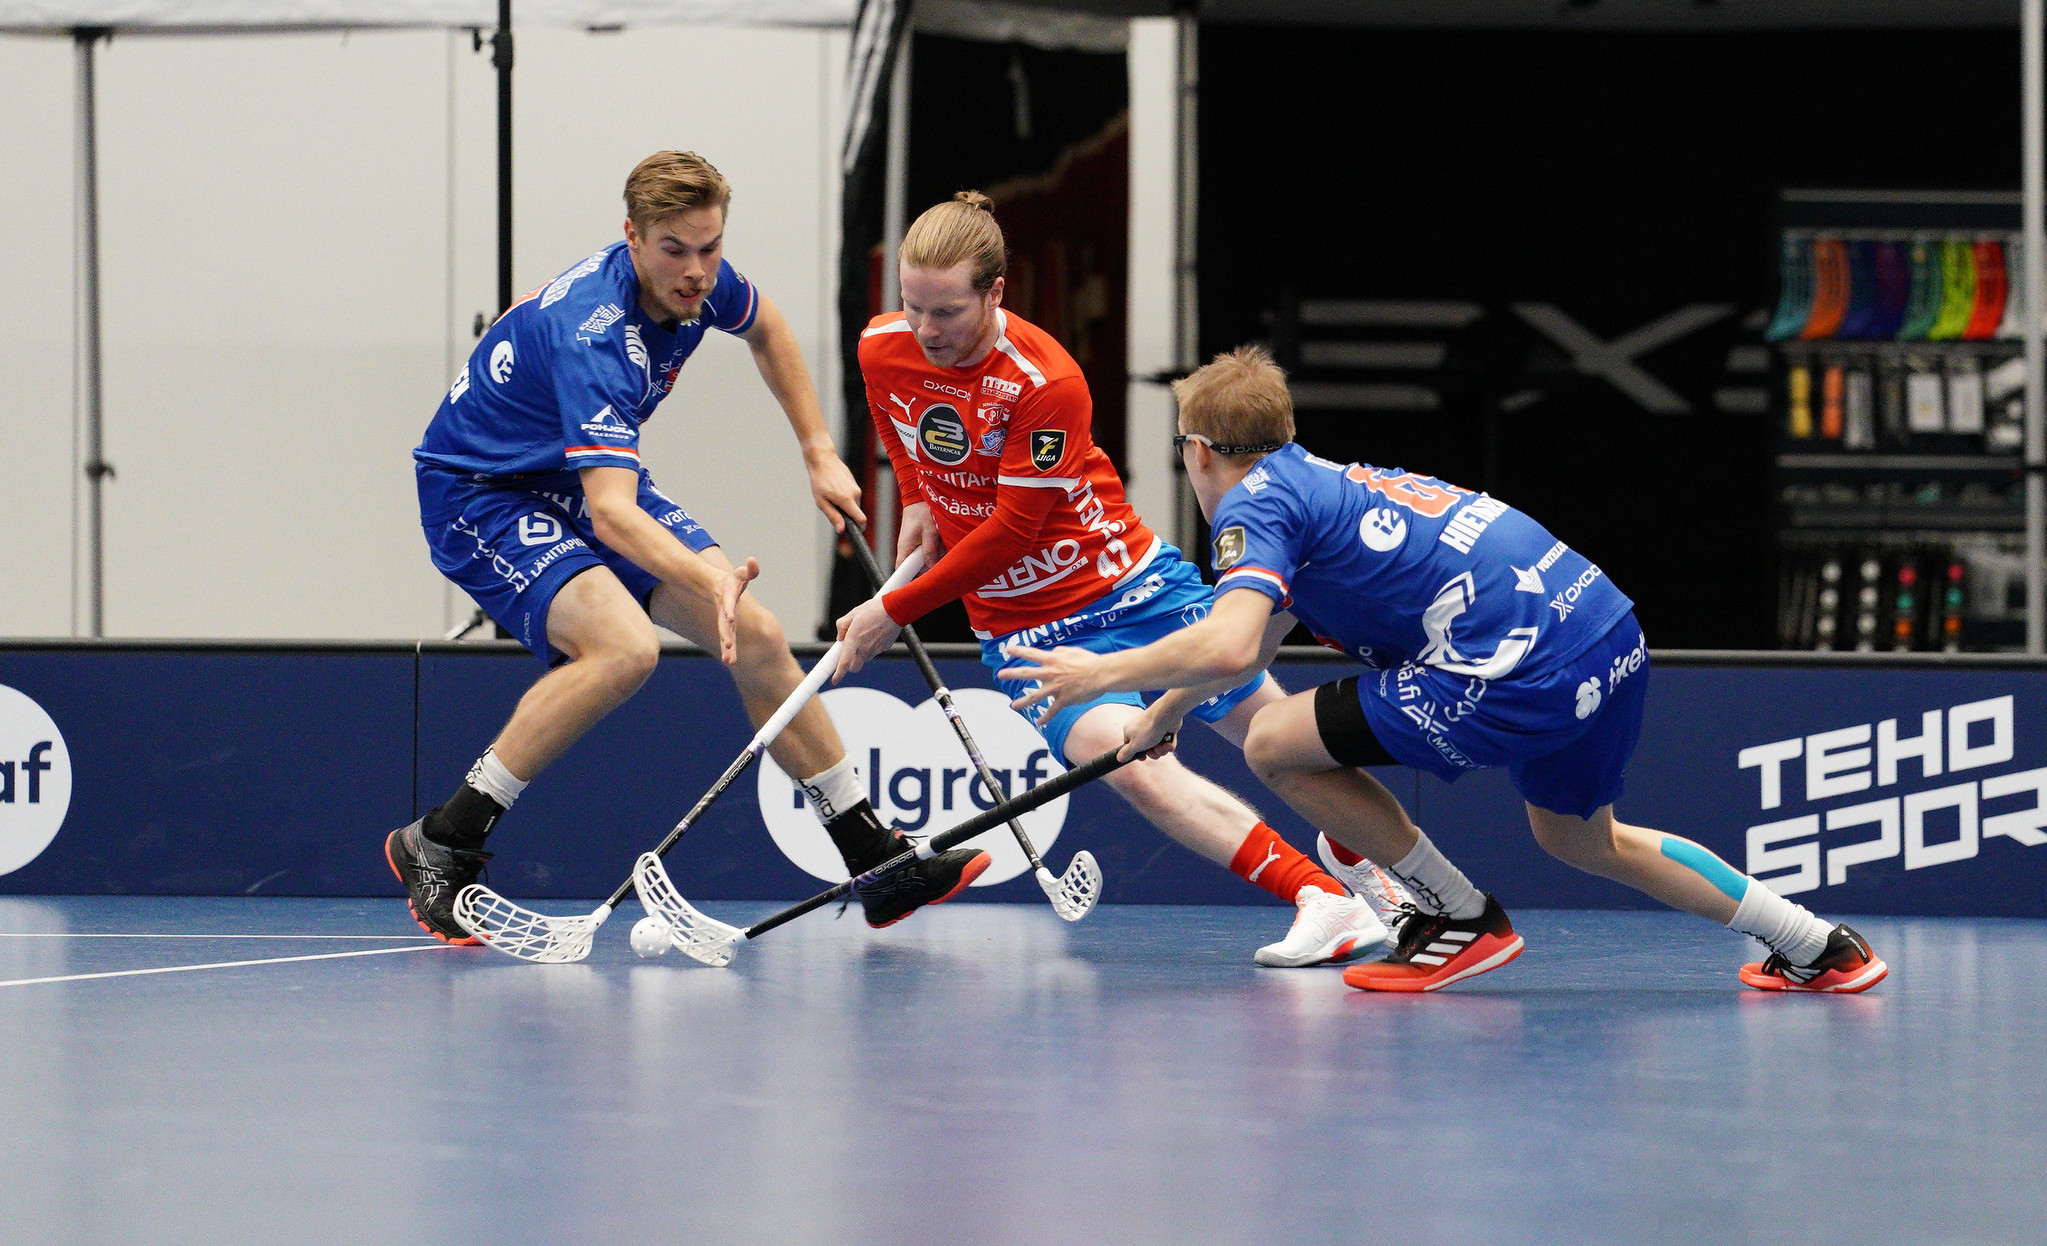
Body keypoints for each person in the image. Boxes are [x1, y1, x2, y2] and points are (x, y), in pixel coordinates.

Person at [1000, 346, 1889, 995]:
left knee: (1272, 744)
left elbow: (1229, 648)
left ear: (1196, 450)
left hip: (1516, 667)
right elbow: (1259, 639)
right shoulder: (1320, 480)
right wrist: (1158, 719)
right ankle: (1818, 945)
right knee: (1585, 841)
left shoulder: (1253, 509)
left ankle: (1458, 918)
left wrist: (1099, 675)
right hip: (1606, 630)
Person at [392, 151, 988, 943]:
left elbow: (767, 326)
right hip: (483, 489)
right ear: (632, 237)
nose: (697, 271)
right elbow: (612, 516)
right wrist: (709, 582)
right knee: (624, 649)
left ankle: (871, 857)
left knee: (761, 637)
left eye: (710, 247)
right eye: (674, 250)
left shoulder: (698, 281)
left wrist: (817, 449)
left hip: (571, 475)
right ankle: (444, 837)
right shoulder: (592, 337)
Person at [832, 193, 1410, 968]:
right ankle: (1321, 899)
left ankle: (1403, 885)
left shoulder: (1046, 380)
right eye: (912, 307)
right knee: (1130, 765)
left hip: (1131, 587)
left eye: (946, 312)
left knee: (1276, 739)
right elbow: (897, 418)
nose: (926, 330)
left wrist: (892, 609)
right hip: (1024, 629)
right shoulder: (883, 346)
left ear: (995, 292)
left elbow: (1012, 533)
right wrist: (917, 497)